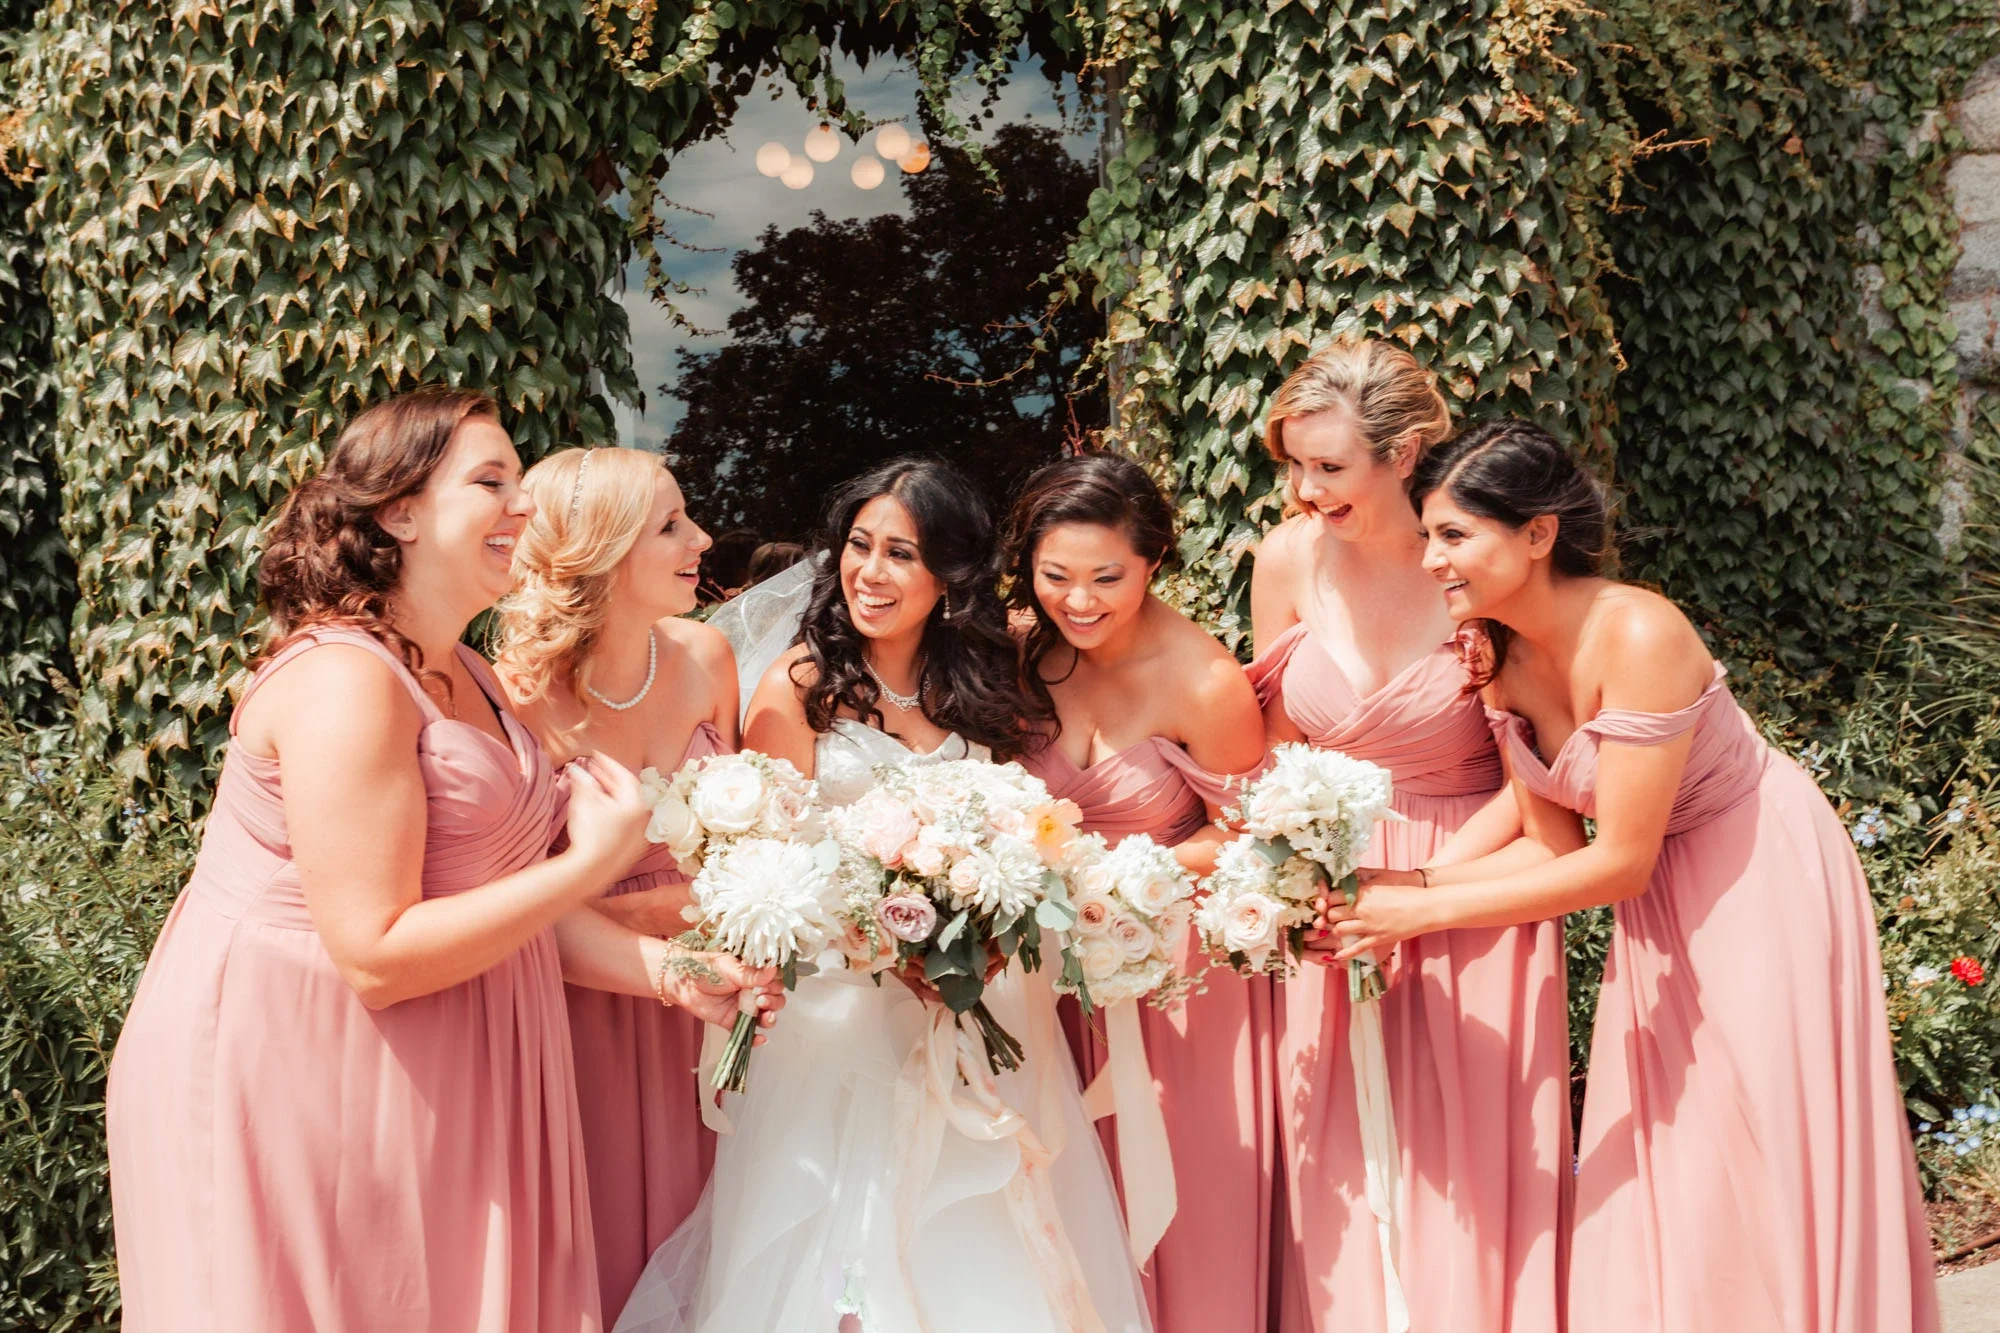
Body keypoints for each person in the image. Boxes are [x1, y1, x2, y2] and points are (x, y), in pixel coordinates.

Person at [106, 391, 777, 1332]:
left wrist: (672, 974)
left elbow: (497, 904)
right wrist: (595, 862)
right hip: (307, 1062)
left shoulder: (467, 667)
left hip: (458, 1043)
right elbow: (377, 953)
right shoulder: (344, 678)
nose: (524, 506)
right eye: (490, 481)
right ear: (401, 512)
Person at [1323, 417, 1940, 1332]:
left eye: (1454, 536)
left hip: (1755, 867)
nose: (1430, 563)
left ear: (1537, 534)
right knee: (1673, 1142)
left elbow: (1616, 861)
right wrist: (1404, 887)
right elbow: (1553, 843)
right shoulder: (1494, 653)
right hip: (1655, 890)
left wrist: (1418, 915)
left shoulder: (1641, 630)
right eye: (1428, 538)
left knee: (1762, 1120)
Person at [616, 456, 1152, 1333]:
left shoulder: (992, 681)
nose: (870, 571)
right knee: (843, 1245)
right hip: (844, 1019)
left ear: (948, 575)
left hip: (981, 1008)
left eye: (901, 554)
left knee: (989, 1238)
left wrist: (980, 926)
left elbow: (1019, 831)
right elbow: (771, 868)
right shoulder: (798, 689)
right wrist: (880, 939)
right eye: (859, 546)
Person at [1247, 344, 1569, 1332]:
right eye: (1293, 464)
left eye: (1329, 467)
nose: (1304, 489)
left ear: (1406, 450)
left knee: (1466, 1187)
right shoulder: (1283, 559)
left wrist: (1416, 891)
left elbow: (1541, 796)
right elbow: (1271, 753)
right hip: (1330, 905)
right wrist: (1297, 877)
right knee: (1339, 1180)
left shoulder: (1478, 563)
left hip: (1468, 893)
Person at [1004, 452, 1272, 1333]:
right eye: (1056, 576)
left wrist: (1126, 875)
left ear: (1153, 559)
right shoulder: (1016, 651)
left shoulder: (1203, 680)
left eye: (1106, 578)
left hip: (1173, 978)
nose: (1078, 601)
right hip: (1042, 975)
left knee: (1184, 1190)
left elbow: (1247, 835)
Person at [492, 446, 743, 1323]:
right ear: (599, 549)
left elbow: (750, 840)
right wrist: (651, 911)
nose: (701, 538)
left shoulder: (709, 657)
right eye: (670, 525)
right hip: (579, 1011)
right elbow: (499, 901)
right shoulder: (513, 698)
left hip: (717, 1005)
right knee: (597, 1245)